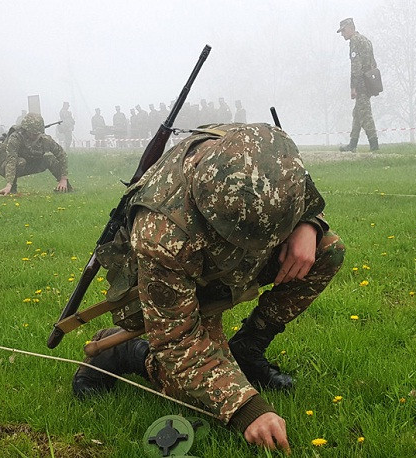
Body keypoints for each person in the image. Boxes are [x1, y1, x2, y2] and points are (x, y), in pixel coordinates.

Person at [71, 123, 345, 452]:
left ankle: (247, 350)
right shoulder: (163, 235)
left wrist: (309, 223)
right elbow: (178, 342)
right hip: (188, 267)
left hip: (234, 251)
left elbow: (301, 189)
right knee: (197, 390)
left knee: (327, 251)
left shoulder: (267, 148)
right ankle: (128, 353)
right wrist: (246, 410)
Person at [0, 113, 70, 195]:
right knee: (20, 161)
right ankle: (12, 188)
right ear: (25, 130)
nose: (33, 136)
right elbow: (11, 160)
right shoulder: (15, 138)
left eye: (36, 134)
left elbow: (62, 155)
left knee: (50, 159)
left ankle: (65, 187)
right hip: (6, 167)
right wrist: (9, 184)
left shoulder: (46, 140)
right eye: (30, 133)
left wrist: (63, 178)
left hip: (30, 163)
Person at [338, 17, 379, 152]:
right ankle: (352, 144)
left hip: (361, 83)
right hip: (369, 82)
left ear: (350, 28)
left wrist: (353, 87)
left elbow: (355, 66)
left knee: (365, 114)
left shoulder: (354, 41)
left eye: (343, 31)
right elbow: (373, 63)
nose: (342, 34)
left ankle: (374, 146)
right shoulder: (366, 40)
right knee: (357, 113)